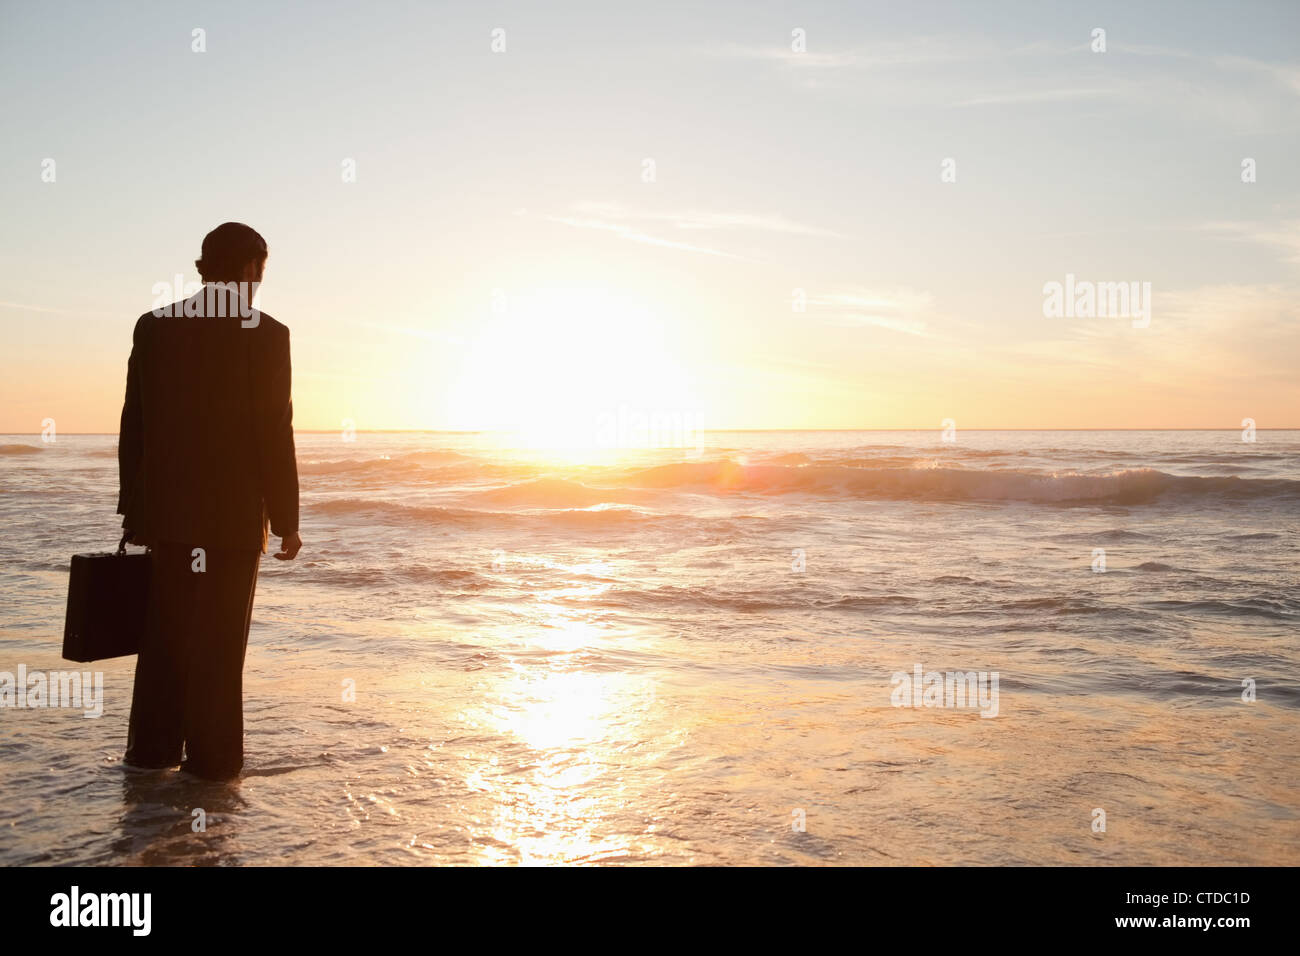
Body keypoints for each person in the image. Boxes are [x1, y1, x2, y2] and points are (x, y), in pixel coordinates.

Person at [117, 222, 301, 780]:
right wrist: (286, 520)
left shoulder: (154, 326)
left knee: (165, 642)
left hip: (168, 517)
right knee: (220, 650)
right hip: (233, 519)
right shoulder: (267, 335)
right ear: (249, 268)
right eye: (261, 272)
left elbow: (135, 425)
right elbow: (275, 431)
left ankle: (150, 759)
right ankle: (213, 768)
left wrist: (136, 509)